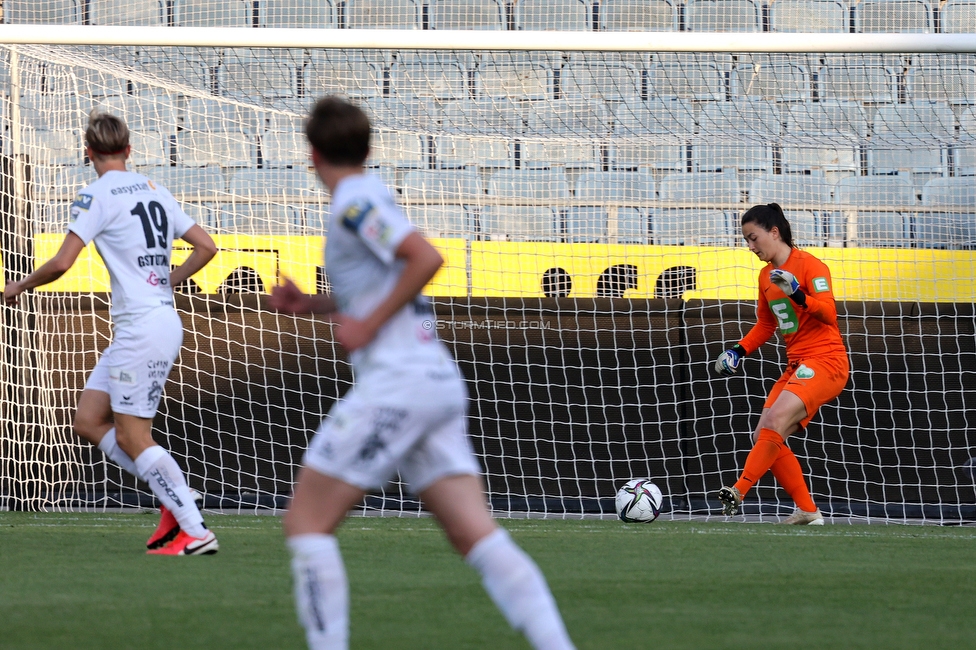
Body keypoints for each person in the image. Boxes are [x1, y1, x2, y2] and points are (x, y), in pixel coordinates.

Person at [268, 96, 575, 650]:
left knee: (306, 524)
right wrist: (310, 305)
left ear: (311, 154)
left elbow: (424, 258)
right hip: (433, 382)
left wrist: (367, 325)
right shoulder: (368, 195)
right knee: (473, 534)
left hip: (398, 383)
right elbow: (375, 287)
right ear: (367, 148)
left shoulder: (354, 203)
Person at [3, 109, 219, 554]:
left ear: (88, 153)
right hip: (154, 320)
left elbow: (63, 262)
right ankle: (173, 494)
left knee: (132, 436)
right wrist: (168, 280)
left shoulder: (95, 195)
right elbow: (207, 246)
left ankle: (194, 528)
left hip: (142, 328)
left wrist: (21, 284)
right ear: (129, 149)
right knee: (88, 420)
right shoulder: (155, 189)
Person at [714, 203, 849, 525]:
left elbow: (829, 315)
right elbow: (765, 325)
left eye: (753, 238)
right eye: (747, 240)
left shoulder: (811, 266)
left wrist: (799, 294)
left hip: (826, 361)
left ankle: (739, 490)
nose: (750, 247)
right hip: (797, 363)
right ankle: (808, 511)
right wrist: (738, 350)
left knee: (773, 421)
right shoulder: (765, 277)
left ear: (774, 232)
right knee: (763, 433)